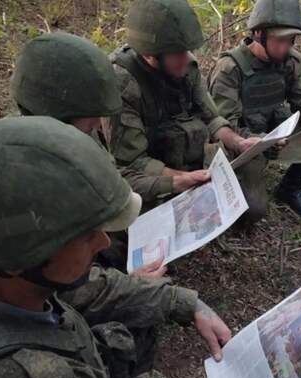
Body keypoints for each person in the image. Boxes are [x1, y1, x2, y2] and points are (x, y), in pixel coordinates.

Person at [0, 117, 301, 378]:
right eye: (86, 234)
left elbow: (91, 287)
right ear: (22, 255)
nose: (103, 242)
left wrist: (184, 302)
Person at [10, 31, 165, 273]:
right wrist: (131, 285)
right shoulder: (21, 173)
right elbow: (51, 277)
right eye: (90, 115)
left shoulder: (75, 133)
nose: (97, 122)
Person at [109, 0, 265, 220]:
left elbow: (211, 118)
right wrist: (183, 180)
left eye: (188, 50)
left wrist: (238, 142)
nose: (187, 58)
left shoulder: (185, 67)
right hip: (151, 170)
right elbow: (133, 161)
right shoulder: (123, 83)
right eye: (178, 53)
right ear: (150, 55)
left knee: (253, 208)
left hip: (188, 157)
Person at [208, 0, 301, 219]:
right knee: (252, 210)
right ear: (258, 34)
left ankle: (290, 188)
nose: (285, 47)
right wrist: (256, 141)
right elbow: (223, 123)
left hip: (276, 131)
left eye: (290, 40)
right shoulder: (230, 68)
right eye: (279, 40)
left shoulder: (289, 61)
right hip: (244, 142)